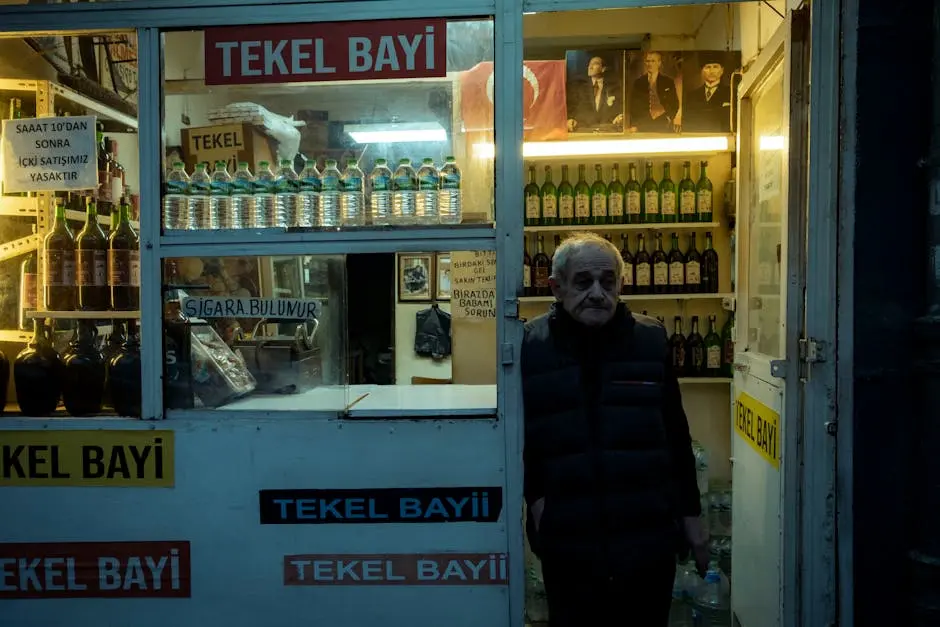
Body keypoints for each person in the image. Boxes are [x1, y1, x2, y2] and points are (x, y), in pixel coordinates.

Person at [522, 232, 709, 626]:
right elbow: (522, 440)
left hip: (647, 538)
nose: (597, 293)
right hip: (569, 541)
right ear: (556, 287)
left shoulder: (650, 339)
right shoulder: (530, 346)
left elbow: (676, 434)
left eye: (608, 282)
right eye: (583, 282)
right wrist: (537, 502)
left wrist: (691, 515)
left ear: (621, 285)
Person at [566, 55, 624, 132]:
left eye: (595, 63)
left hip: (608, 130)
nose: (590, 67)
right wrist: (569, 119)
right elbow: (572, 108)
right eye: (589, 64)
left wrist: (620, 117)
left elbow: (620, 108)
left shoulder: (614, 87)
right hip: (583, 130)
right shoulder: (580, 87)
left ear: (603, 69)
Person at [628, 51, 680, 133]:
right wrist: (636, 123)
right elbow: (634, 105)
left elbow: (674, 103)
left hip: (664, 123)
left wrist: (669, 118)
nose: (650, 64)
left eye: (653, 61)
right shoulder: (638, 82)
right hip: (644, 123)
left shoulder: (668, 81)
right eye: (648, 61)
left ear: (659, 63)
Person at [682, 54, 734, 133]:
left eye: (715, 67)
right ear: (702, 71)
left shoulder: (731, 93)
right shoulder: (692, 95)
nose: (711, 71)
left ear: (722, 70)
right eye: (708, 67)